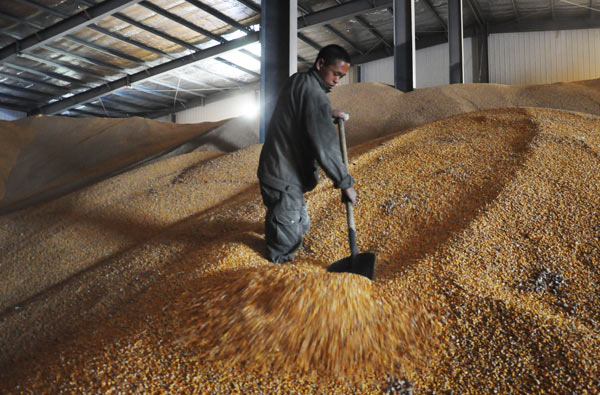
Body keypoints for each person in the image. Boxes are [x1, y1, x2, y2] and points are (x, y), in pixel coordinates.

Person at [257, 44, 357, 264]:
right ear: (320, 64)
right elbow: (325, 147)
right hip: (283, 176)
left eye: (341, 77)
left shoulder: (298, 81)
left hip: (277, 170)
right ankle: (278, 274)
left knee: (301, 226)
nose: (337, 81)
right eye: (335, 74)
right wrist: (345, 182)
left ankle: (280, 229)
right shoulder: (315, 96)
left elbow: (300, 109)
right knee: (285, 242)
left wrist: (328, 113)